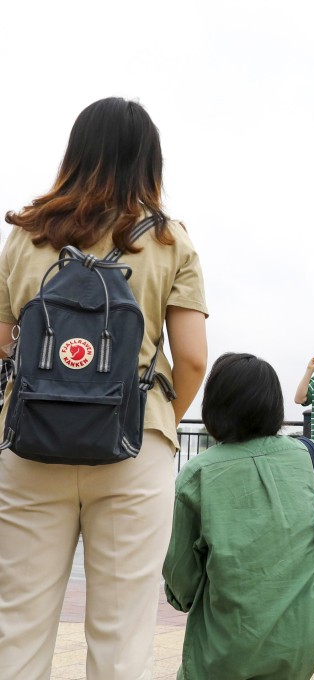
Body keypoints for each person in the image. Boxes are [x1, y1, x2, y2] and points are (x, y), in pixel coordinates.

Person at [0, 97, 208, 679]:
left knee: (15, 625)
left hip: (31, 443)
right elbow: (191, 358)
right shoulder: (168, 240)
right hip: (134, 446)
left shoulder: (25, 235)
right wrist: (158, 418)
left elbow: (3, 340)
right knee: (122, 636)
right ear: (149, 160)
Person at [164, 353, 314, 679]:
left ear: (215, 406)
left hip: (233, 641)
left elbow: (182, 578)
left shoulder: (198, 474)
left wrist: (183, 598)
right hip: (311, 631)